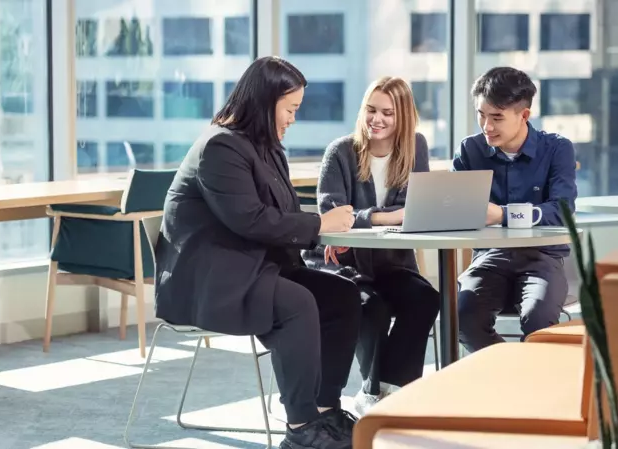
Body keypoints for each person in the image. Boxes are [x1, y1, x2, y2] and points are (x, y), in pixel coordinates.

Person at [155, 56, 361, 449]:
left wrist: (325, 231)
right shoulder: (220, 147)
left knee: (342, 295)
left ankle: (323, 410)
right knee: (298, 303)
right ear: (266, 103)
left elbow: (279, 214)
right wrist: (320, 225)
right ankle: (301, 428)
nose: (292, 119)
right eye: (290, 109)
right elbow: (249, 220)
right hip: (211, 280)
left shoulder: (266, 148)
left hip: (250, 266)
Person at [303, 76, 440, 416]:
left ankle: (388, 394)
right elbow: (333, 214)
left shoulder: (415, 147)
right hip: (346, 264)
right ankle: (374, 391)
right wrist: (386, 217)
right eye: (371, 110)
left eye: (387, 113)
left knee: (425, 298)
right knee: (371, 307)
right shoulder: (341, 151)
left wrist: (368, 215)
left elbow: (415, 208)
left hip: (393, 262)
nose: (376, 120)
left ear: (403, 117)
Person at [452, 66, 578, 352]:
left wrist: (503, 214)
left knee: (539, 320)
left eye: (496, 117)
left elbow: (562, 211)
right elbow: (453, 208)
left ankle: (532, 386)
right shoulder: (470, 150)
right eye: (481, 115)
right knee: (461, 319)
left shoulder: (557, 149)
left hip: (543, 258)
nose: (487, 126)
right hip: (490, 258)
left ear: (524, 115)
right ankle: (508, 371)